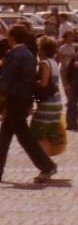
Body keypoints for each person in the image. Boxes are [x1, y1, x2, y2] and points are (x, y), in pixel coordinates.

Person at [1, 26, 57, 184]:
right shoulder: (28, 53)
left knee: (23, 136)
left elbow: (7, 77)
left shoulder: (15, 54)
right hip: (22, 98)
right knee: (5, 136)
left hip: (16, 98)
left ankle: (47, 165)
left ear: (12, 37)